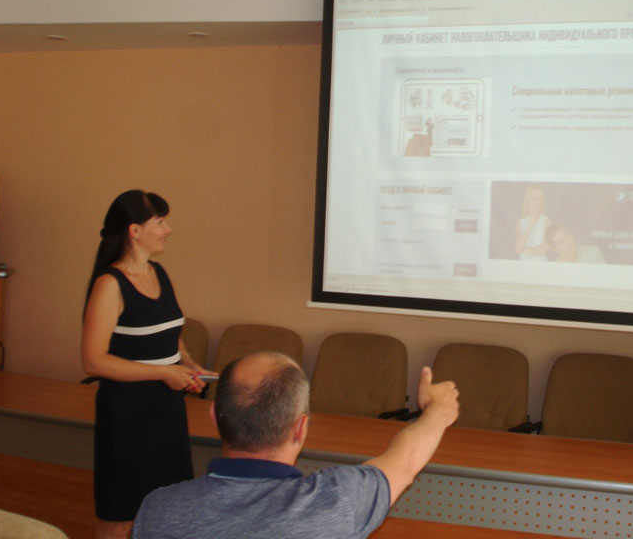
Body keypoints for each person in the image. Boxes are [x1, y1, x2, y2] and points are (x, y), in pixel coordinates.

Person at [132, 352, 460, 539]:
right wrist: (439, 409)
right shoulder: (336, 502)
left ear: (215, 418)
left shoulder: (157, 510)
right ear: (301, 428)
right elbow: (406, 459)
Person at [81, 190, 215, 539]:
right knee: (120, 514)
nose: (168, 229)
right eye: (160, 222)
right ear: (135, 231)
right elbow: (93, 361)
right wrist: (163, 372)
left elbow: (169, 331)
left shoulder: (159, 272)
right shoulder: (110, 284)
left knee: (166, 504)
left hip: (166, 411)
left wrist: (187, 362)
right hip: (127, 415)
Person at [514, 184, 550, 260]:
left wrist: (524, 250)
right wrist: (531, 225)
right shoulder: (520, 223)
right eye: (533, 198)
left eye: (539, 199)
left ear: (542, 202)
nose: (536, 202)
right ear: (528, 201)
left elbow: (544, 249)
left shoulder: (546, 222)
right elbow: (517, 248)